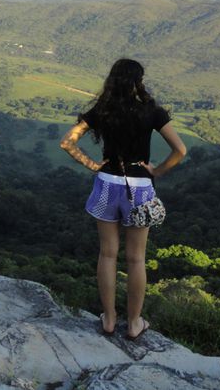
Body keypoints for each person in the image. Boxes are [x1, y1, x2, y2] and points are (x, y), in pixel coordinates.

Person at [60, 58, 186, 340]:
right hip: (140, 187)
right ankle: (133, 323)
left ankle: (108, 319)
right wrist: (157, 171)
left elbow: (67, 141)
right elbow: (180, 150)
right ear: (138, 82)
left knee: (107, 254)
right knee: (136, 259)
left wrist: (92, 164)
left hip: (107, 183)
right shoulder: (153, 112)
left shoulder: (102, 110)